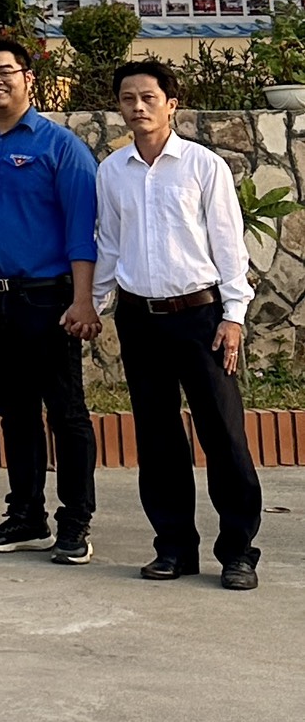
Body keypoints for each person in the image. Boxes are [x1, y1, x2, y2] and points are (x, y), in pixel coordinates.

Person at [93, 56, 261, 590]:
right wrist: (92, 306)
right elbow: (109, 246)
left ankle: (238, 552)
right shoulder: (111, 171)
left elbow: (229, 246)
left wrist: (234, 316)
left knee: (223, 435)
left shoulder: (202, 166)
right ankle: (173, 548)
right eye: (127, 99)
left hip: (201, 317)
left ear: (172, 103)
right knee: (158, 438)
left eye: (148, 97)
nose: (138, 107)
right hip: (140, 319)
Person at [0, 32, 100, 564]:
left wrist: (83, 302)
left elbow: (83, 231)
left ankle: (75, 522)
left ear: (27, 77)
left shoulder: (60, 146)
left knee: (65, 412)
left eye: (5, 71)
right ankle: (25, 515)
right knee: (13, 411)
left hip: (47, 298)